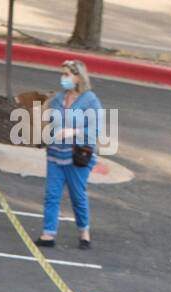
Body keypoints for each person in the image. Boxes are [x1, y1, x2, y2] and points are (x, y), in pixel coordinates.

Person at [36, 59, 105, 250]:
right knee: (52, 195)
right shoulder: (58, 99)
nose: (63, 78)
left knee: (77, 196)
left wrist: (72, 131)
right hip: (55, 153)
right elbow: (50, 122)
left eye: (66, 74)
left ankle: (84, 232)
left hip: (77, 156)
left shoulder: (90, 100)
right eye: (62, 74)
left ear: (78, 77)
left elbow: (96, 129)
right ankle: (48, 234)